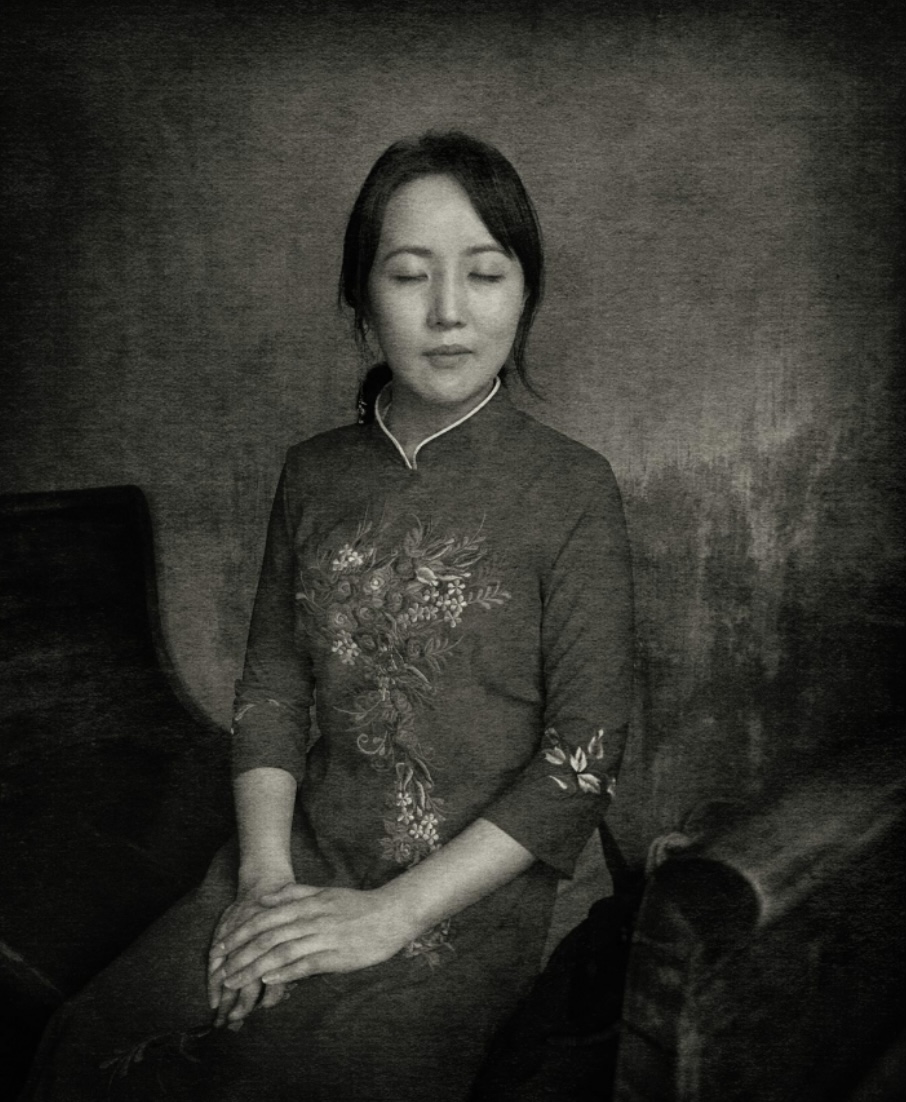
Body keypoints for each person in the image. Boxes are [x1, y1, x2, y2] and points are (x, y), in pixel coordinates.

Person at [19, 130, 634, 1102]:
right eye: (408, 275)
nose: (448, 311)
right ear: (361, 296)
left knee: (295, 1073)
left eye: (485, 274)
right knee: (98, 1039)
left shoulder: (573, 488)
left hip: (477, 883)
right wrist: (265, 880)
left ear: (526, 293)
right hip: (301, 846)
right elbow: (272, 690)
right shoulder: (313, 473)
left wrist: (390, 917)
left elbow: (584, 756)